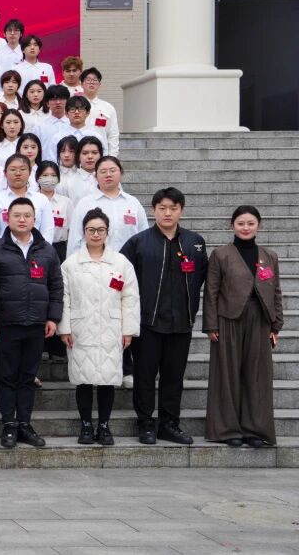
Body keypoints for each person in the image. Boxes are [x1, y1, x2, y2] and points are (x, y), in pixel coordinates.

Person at [118, 187, 207, 446]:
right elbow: (121, 278)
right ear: (153, 210)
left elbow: (202, 276)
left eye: (173, 208)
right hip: (147, 322)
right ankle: (145, 423)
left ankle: (169, 424)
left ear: (181, 211)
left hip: (181, 323)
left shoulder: (194, 242)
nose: (168, 213)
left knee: (173, 377)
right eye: (162, 208)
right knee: (144, 376)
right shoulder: (138, 242)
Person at [0, 197, 63, 449]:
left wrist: (53, 317)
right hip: (6, 323)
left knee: (28, 377)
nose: (22, 219)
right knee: (7, 375)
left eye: (27, 215)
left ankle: (25, 424)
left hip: (37, 323)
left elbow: (56, 286)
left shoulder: (47, 250)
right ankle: (9, 424)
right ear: (7, 218)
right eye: (16, 215)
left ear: (34, 219)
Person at [204, 205, 284, 447]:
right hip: (228, 319)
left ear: (259, 225)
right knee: (226, 374)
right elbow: (211, 291)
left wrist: (276, 324)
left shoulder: (269, 256)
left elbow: (276, 291)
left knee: (257, 375)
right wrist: (211, 324)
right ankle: (227, 430)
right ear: (232, 226)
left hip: (260, 319)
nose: (245, 228)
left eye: (250, 223)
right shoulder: (221, 254)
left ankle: (254, 430)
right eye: (240, 223)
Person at [58, 208, 139, 446]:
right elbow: (64, 298)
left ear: (107, 232)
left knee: (107, 378)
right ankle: (86, 425)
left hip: (111, 328)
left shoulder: (120, 263)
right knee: (83, 378)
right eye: (91, 230)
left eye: (100, 230)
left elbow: (130, 298)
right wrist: (65, 328)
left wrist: (128, 330)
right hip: (80, 328)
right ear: (83, 232)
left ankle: (104, 426)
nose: (95, 234)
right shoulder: (71, 264)